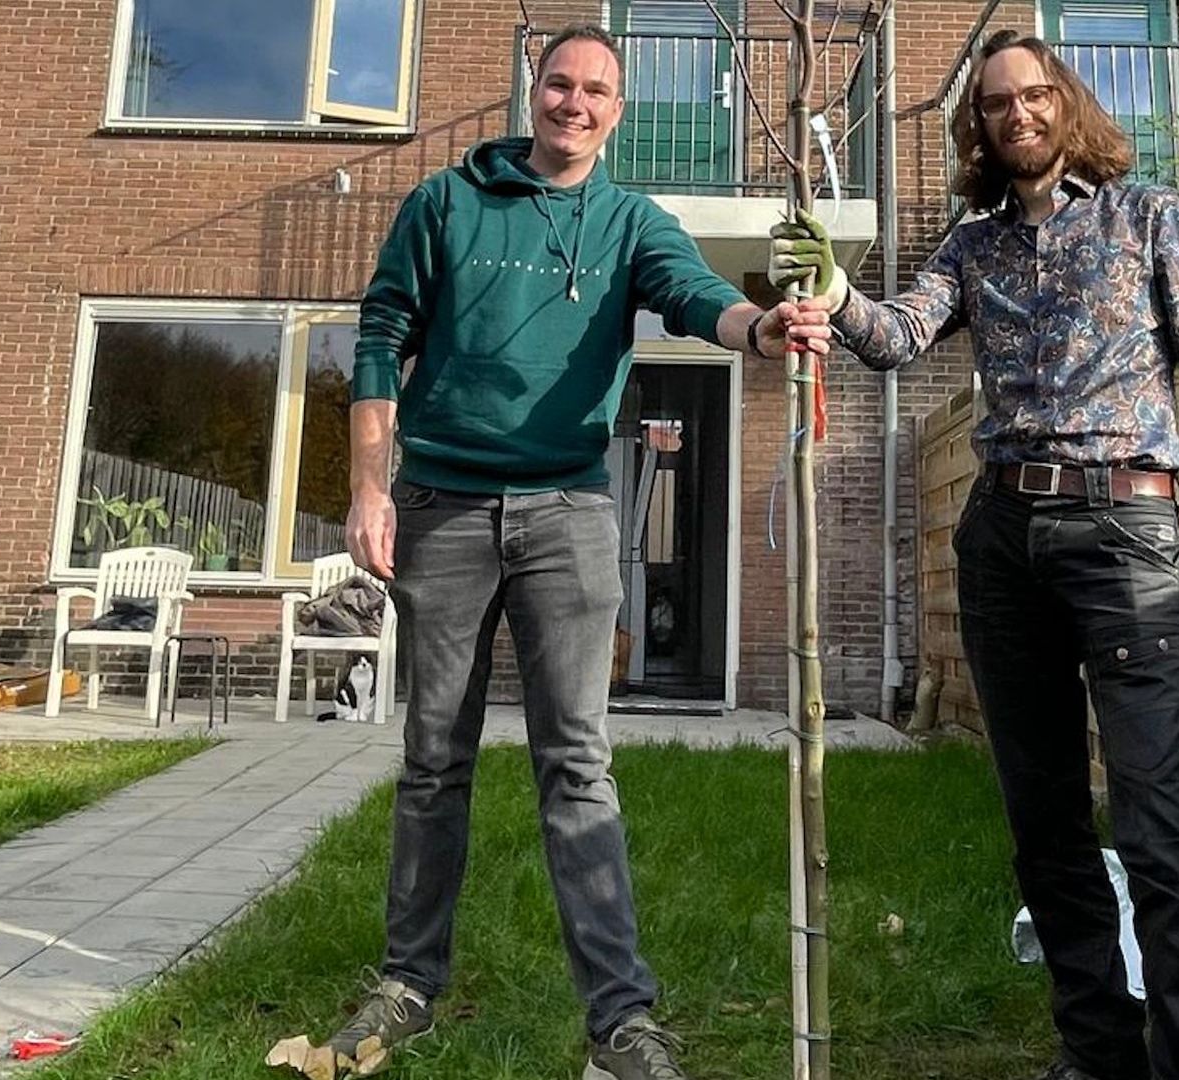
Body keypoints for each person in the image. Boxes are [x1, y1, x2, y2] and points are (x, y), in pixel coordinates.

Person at [770, 30, 1179, 1080]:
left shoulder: (1148, 215)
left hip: (1125, 536)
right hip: (1004, 543)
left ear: (1065, 105)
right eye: (994, 103)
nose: (1015, 113)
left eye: (1033, 95)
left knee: (1156, 819)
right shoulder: (971, 248)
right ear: (980, 125)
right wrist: (836, 295)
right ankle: (1099, 1052)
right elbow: (897, 338)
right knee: (1044, 819)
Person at [339, 23, 830, 1080]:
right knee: (434, 762)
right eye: (560, 84)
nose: (575, 104)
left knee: (580, 765)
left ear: (621, 108)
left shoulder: (628, 221)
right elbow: (381, 338)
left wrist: (763, 327)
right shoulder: (445, 203)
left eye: (598, 90)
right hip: (443, 508)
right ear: (535, 89)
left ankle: (620, 1022)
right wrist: (367, 489)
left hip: (567, 511)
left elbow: (699, 297)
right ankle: (406, 986)